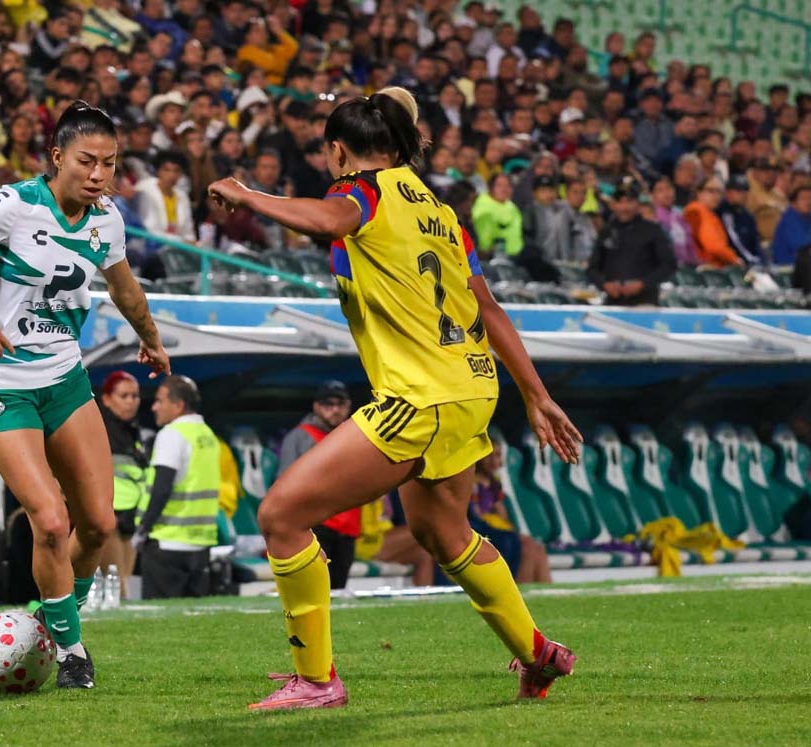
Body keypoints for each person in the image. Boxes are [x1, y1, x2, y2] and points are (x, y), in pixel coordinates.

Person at [208, 86, 582, 710]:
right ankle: (537, 652)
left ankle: (317, 681)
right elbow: (487, 308)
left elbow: (333, 219)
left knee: (280, 516)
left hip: (419, 396)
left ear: (337, 151)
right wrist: (535, 395)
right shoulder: (442, 213)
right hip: (472, 387)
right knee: (443, 531)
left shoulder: (364, 190)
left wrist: (246, 193)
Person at [0, 102, 170, 689]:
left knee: (99, 525)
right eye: (86, 161)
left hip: (65, 381)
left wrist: (150, 340)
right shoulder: (13, 204)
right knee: (49, 521)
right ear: (57, 158)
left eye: (110, 163)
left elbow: (125, 291)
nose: (99, 174)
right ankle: (71, 650)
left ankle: (51, 620)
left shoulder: (107, 220)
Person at [131, 375, 219, 599]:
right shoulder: (207, 435)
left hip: (167, 544)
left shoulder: (172, 434)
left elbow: (161, 489)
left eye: (160, 401)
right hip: (200, 546)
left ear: (179, 405)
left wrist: (142, 530)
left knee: (159, 625)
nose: (154, 407)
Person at [276, 380, 358, 590]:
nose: (335, 410)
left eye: (340, 404)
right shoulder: (300, 437)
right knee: (314, 591)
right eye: (328, 404)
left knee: (338, 592)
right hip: (316, 525)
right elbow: (284, 483)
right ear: (316, 406)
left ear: (348, 407)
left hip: (348, 526)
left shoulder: (354, 435)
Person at [98, 370, 150, 601]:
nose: (131, 401)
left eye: (135, 396)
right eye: (124, 396)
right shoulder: (99, 428)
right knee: (115, 584)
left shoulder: (132, 430)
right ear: (107, 398)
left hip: (131, 516)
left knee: (123, 584)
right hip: (109, 515)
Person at [588, 179, 676, 306]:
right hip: (613, 303)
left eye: (629, 201)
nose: (624, 207)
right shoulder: (606, 232)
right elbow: (592, 269)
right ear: (612, 205)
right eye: (619, 202)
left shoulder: (653, 230)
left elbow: (669, 265)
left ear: (638, 204)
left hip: (645, 302)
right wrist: (604, 284)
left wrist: (643, 284)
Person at [471, 448, 551, 584]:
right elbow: (476, 515)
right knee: (526, 548)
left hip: (497, 527)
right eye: (488, 456)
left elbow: (503, 516)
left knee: (537, 547)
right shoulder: (472, 482)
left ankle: (546, 590)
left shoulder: (495, 483)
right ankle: (521, 588)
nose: (494, 461)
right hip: (482, 530)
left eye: (497, 456)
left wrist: (498, 508)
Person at [683, 177, 743, 268]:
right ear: (699, 192)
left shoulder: (709, 213)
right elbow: (713, 246)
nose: (716, 196)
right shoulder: (696, 211)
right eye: (711, 191)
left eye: (719, 192)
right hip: (704, 269)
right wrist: (734, 259)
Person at [770, 184, 811, 267]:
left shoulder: (807, 217)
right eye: (804, 199)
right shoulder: (789, 218)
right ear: (793, 203)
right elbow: (800, 245)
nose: (809, 202)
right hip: (787, 267)